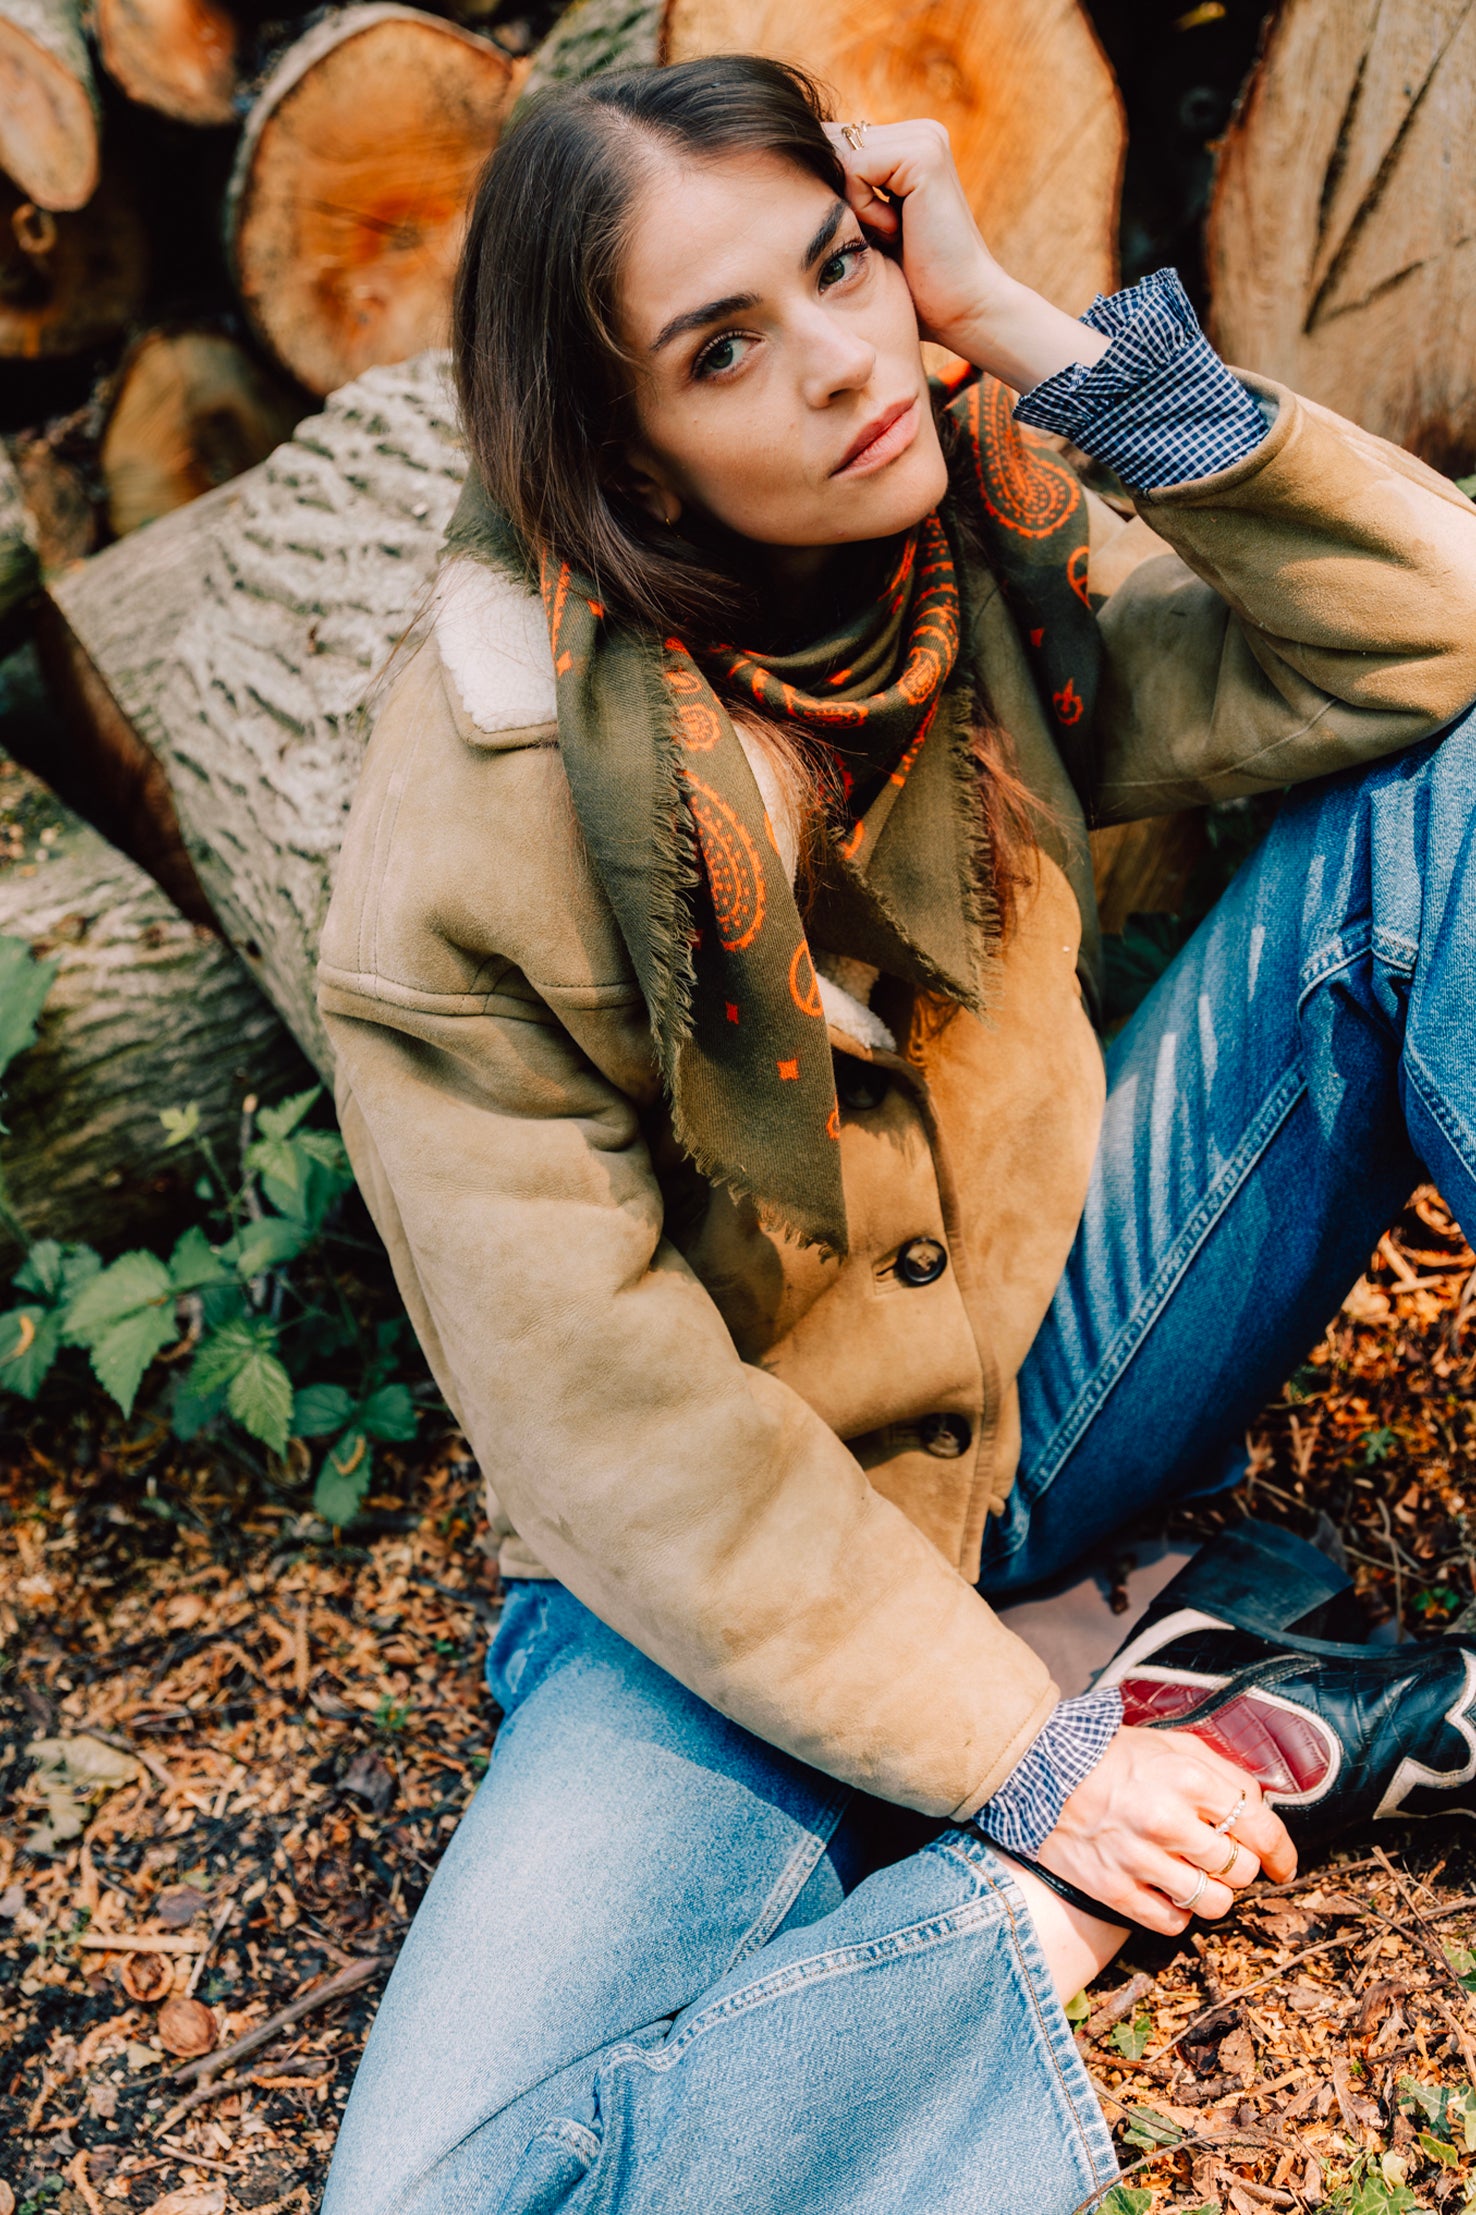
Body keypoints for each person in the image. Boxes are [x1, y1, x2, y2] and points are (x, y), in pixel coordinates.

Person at [315, 56, 1476, 2214]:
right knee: (442, 2197)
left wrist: (1037, 339)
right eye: (721, 348)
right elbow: (624, 1429)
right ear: (620, 448)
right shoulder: (475, 836)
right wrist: (1044, 1789)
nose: (844, 360)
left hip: (1061, 1367)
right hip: (742, 1556)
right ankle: (1169, 1759)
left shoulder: (958, 554)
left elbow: (1433, 638)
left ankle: (1091, 1627)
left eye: (838, 267)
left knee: (1454, 811)